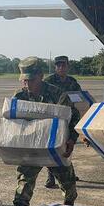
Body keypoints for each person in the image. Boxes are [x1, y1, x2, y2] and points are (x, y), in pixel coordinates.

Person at [1, 56, 80, 206]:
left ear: (41, 76)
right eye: (24, 80)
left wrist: (71, 141)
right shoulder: (19, 97)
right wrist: (2, 146)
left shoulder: (57, 94)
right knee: (23, 184)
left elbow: (74, 116)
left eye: (31, 80)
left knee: (69, 185)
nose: (27, 84)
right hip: (31, 149)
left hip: (55, 149)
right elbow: (8, 124)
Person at [43, 55, 81, 188]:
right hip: (53, 118)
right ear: (55, 67)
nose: (61, 67)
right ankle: (51, 176)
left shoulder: (72, 81)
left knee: (67, 146)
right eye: (58, 65)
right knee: (52, 146)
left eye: (63, 65)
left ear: (68, 66)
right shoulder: (48, 81)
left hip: (69, 117)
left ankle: (68, 173)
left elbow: (80, 97)